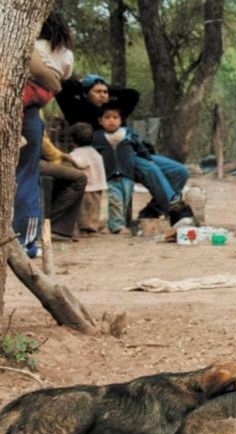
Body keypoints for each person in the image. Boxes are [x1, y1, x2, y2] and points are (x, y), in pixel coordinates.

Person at [55, 74, 191, 224]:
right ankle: (176, 210)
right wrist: (83, 85)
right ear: (86, 93)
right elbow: (64, 89)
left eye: (105, 92)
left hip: (134, 152)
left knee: (180, 172)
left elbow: (132, 94)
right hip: (111, 160)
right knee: (152, 170)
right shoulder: (78, 111)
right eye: (97, 92)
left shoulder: (113, 109)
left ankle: (152, 211)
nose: (103, 95)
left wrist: (103, 86)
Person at [15, 11, 74, 258]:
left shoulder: (25, 44)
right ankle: (26, 242)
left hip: (15, 108)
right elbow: (63, 78)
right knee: (27, 177)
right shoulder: (65, 54)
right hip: (31, 116)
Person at [91, 106, 151, 233]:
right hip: (110, 174)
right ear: (100, 121)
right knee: (115, 200)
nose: (111, 121)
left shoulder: (128, 134)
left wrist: (148, 159)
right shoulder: (97, 136)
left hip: (127, 174)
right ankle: (118, 227)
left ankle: (110, 225)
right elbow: (93, 153)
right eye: (107, 118)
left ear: (121, 120)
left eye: (115, 117)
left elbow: (140, 148)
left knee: (124, 201)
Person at [39, 131, 86, 241]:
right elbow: (43, 144)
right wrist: (60, 156)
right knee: (79, 177)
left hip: (32, 158)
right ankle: (52, 224)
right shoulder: (31, 114)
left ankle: (60, 227)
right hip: (30, 160)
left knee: (67, 172)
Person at [67, 123, 108, 235]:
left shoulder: (76, 153)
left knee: (83, 209)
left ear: (73, 140)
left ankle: (84, 229)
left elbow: (81, 164)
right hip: (98, 185)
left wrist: (67, 158)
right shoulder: (94, 152)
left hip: (87, 186)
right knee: (94, 208)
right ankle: (92, 228)